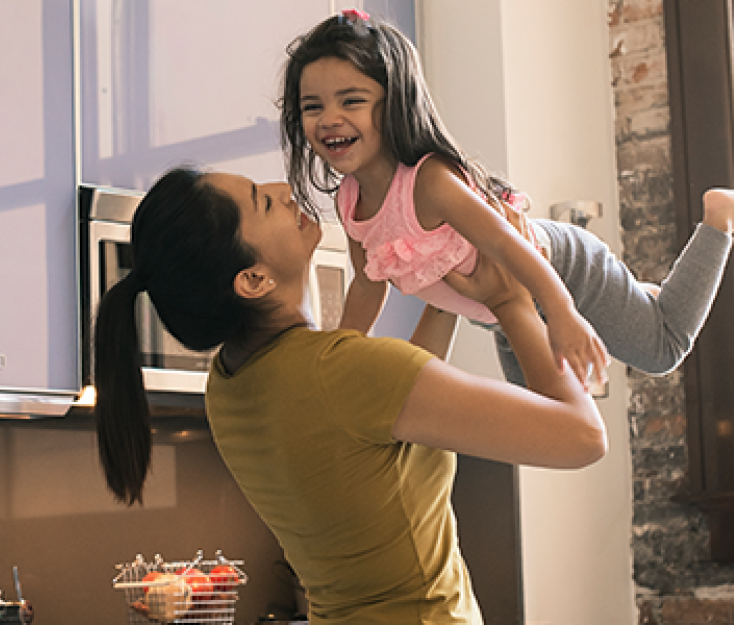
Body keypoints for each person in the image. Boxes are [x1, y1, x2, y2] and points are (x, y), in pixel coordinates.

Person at [94, 165, 608, 623]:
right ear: (253, 279)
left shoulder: (229, 385)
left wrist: (443, 276)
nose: (284, 190)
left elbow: (390, 406)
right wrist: (511, 299)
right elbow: (582, 436)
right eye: (263, 201)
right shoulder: (342, 373)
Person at [280, 9, 734, 388]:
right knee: (541, 413)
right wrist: (335, 356)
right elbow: (366, 284)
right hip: (500, 309)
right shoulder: (350, 200)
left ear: (393, 101)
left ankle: (718, 219)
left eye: (351, 100)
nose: (329, 119)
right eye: (313, 106)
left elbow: (507, 245)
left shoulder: (429, 182)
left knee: (662, 351)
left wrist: (564, 313)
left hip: (563, 271)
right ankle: (638, 296)